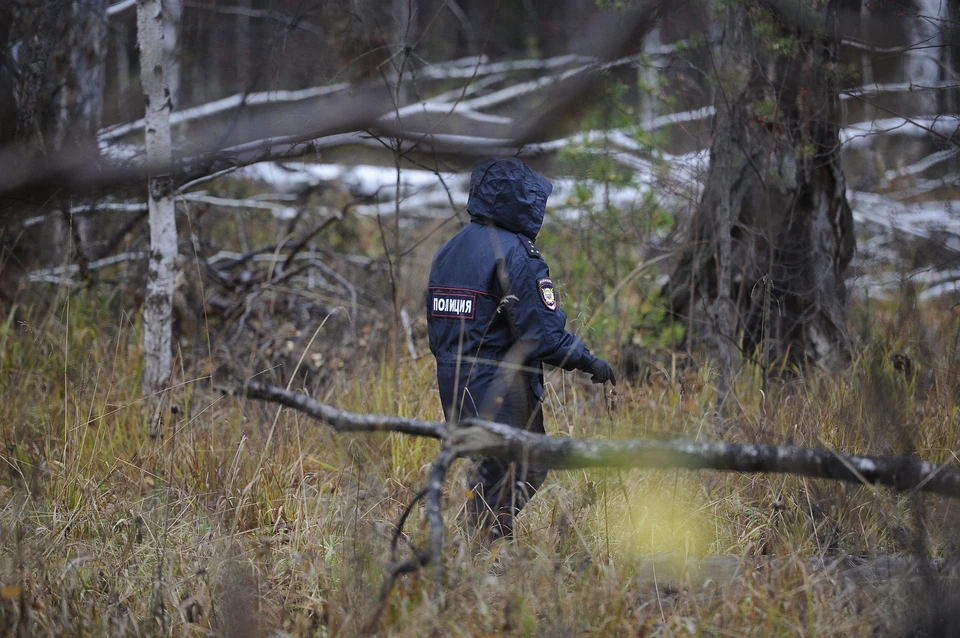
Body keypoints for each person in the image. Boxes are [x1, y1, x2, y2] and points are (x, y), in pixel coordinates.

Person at [425, 157, 616, 540]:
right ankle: (478, 551)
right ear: (523, 200)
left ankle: (475, 551)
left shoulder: (448, 250)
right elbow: (542, 335)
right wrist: (589, 360)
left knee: (491, 468)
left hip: (453, 380)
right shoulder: (516, 253)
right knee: (524, 464)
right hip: (501, 384)